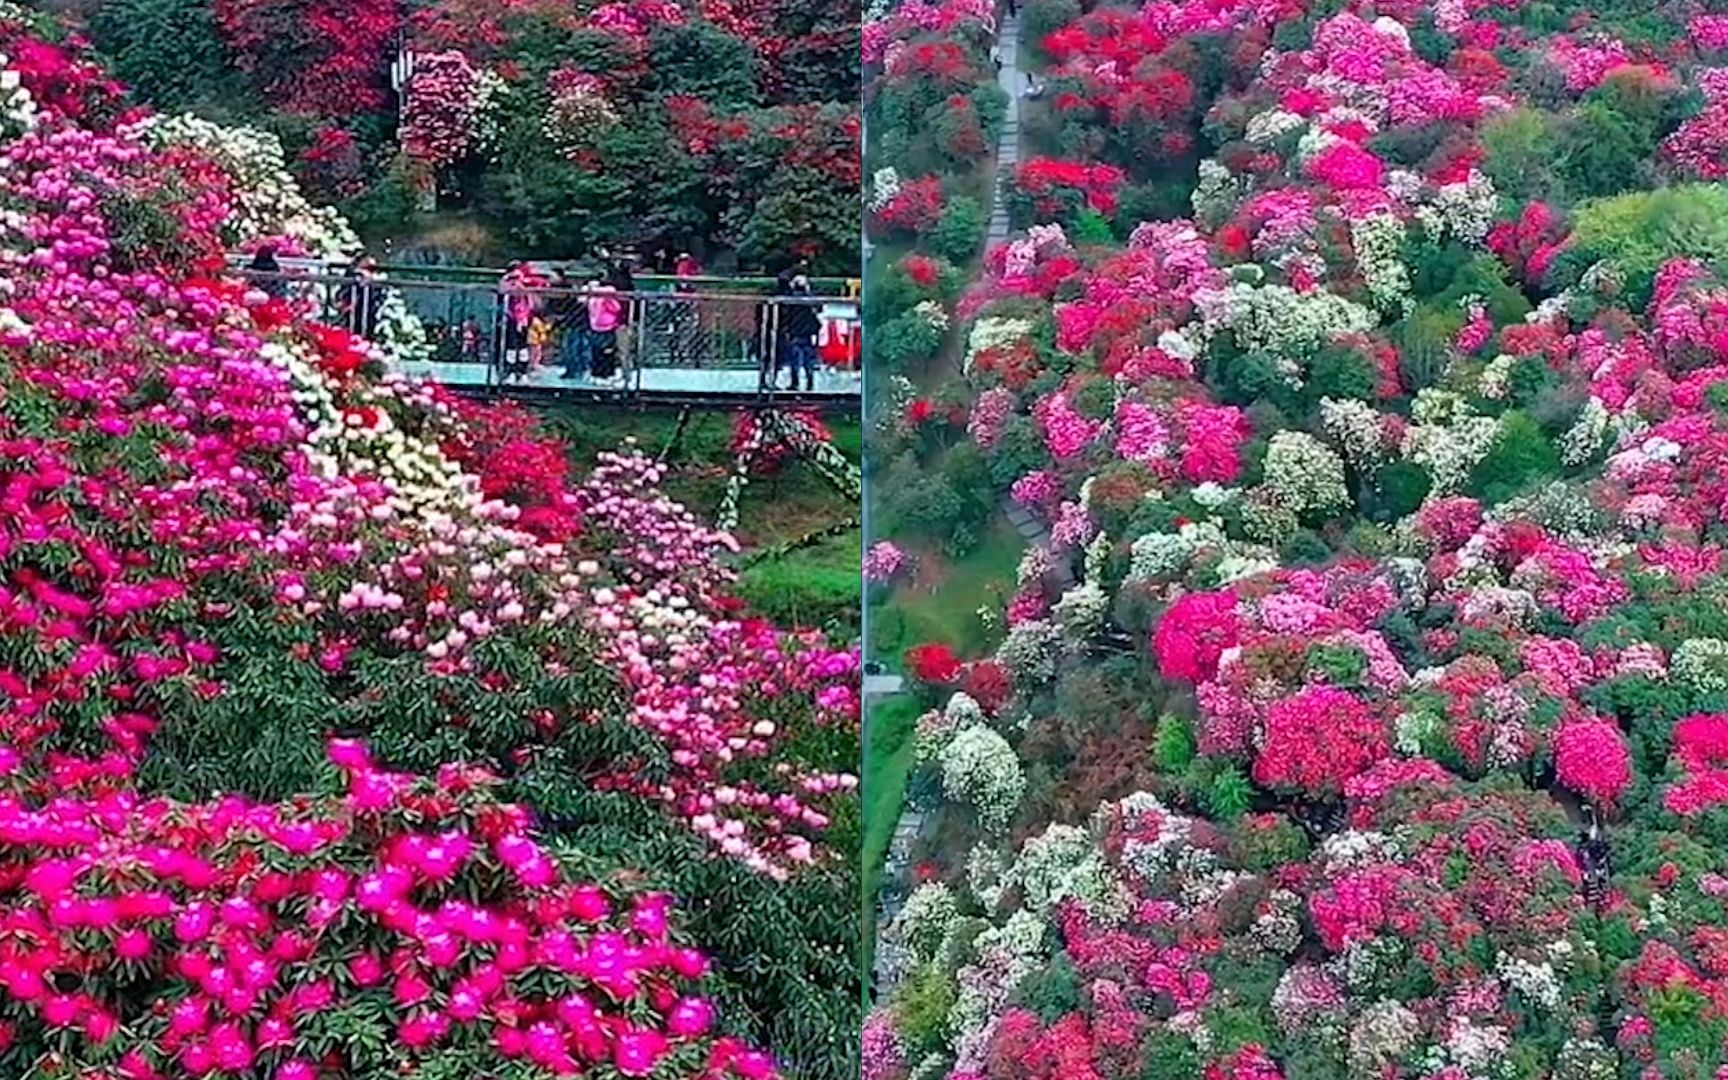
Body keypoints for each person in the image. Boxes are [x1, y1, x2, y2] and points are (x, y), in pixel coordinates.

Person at [778, 274, 822, 392]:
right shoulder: (810, 299)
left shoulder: (791, 298)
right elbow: (819, 308)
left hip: (795, 332)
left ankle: (795, 383)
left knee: (795, 360)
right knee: (808, 360)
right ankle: (810, 382)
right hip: (808, 333)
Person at [586, 272, 623, 384]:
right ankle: (596, 373)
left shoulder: (606, 297)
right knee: (596, 352)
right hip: (595, 328)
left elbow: (616, 308)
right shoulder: (592, 299)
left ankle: (607, 374)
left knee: (607, 352)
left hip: (607, 328)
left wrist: (608, 300)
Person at [554, 269, 591, 380]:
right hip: (570, 323)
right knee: (569, 348)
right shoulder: (567, 291)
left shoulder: (587, 292)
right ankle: (571, 370)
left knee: (580, 347)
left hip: (582, 324)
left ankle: (582, 370)